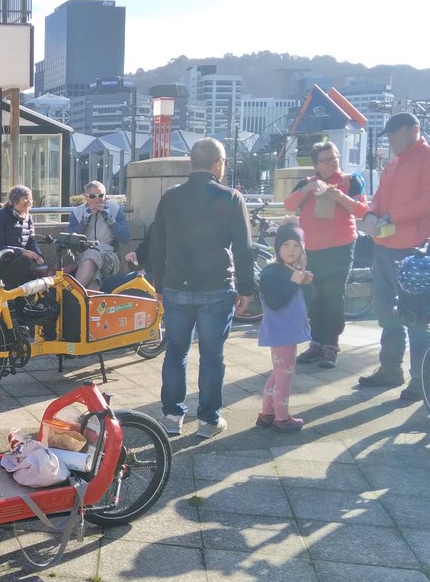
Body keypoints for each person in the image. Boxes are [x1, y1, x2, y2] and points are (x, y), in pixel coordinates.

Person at [148, 137, 255, 438]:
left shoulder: (171, 197)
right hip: (217, 287)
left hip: (176, 286)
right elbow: (244, 249)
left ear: (192, 163)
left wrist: (158, 285)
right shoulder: (231, 197)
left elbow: (157, 243)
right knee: (212, 355)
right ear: (218, 164)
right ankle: (208, 420)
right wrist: (245, 289)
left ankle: (171, 417)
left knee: (175, 352)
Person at [358, 112, 430, 400]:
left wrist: (389, 217)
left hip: (416, 249)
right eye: (388, 135)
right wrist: (373, 213)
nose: (391, 139)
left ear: (414, 130)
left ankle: (420, 380)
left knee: (416, 317)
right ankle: (390, 368)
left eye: (395, 134)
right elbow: (380, 198)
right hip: (386, 245)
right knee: (386, 311)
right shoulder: (394, 164)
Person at [283, 140, 369, 368]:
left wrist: (338, 195)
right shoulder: (307, 183)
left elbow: (362, 211)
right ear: (316, 164)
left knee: (334, 296)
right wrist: (307, 189)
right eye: (325, 160)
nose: (332, 163)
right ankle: (316, 343)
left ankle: (331, 345)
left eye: (334, 158)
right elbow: (289, 205)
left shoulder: (351, 181)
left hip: (341, 247)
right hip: (311, 248)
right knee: (314, 296)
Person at [257, 223, 315, 433]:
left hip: (286, 332)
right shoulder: (272, 272)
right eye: (286, 245)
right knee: (285, 376)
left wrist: (305, 283)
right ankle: (282, 418)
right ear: (277, 248)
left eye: (296, 246)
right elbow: (274, 301)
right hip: (282, 332)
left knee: (277, 374)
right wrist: (293, 283)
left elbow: (310, 299)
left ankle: (267, 414)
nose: (291, 250)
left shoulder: (292, 271)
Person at [66, 181, 131, 288]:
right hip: (83, 256)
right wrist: (84, 221)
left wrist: (109, 219)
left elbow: (126, 238)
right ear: (86, 197)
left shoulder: (115, 209)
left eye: (101, 196)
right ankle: (89, 303)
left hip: (109, 257)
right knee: (93, 278)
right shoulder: (77, 212)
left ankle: (73, 292)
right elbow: (69, 241)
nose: (97, 199)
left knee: (93, 254)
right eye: (93, 196)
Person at [0, 185, 46, 285]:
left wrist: (38, 255)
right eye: (25, 198)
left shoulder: (28, 218)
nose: (29, 202)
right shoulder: (0, 217)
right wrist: (22, 252)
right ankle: (18, 299)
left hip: (15, 263)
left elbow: (31, 240)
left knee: (26, 265)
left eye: (30, 198)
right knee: (23, 261)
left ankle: (20, 297)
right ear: (14, 200)